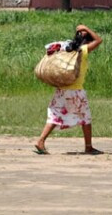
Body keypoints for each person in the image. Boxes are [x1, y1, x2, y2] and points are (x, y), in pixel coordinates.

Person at [35, 24, 103, 155]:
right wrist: (87, 28)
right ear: (87, 40)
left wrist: (80, 30)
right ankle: (88, 147)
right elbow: (99, 40)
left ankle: (41, 141)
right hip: (75, 91)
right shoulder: (82, 50)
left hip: (61, 90)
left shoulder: (66, 48)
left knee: (55, 116)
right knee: (86, 118)